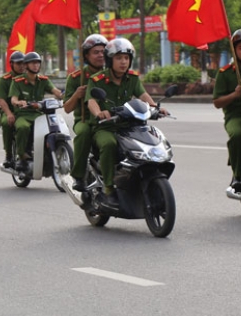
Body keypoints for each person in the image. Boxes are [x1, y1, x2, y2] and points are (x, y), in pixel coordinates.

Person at [86, 38, 165, 210]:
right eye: (119, 58)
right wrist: (99, 112)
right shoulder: (97, 79)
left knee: (149, 140)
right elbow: (91, 101)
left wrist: (155, 108)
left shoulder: (132, 78)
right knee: (109, 144)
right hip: (105, 127)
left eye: (126, 58)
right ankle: (108, 189)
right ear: (109, 60)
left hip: (129, 126)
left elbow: (143, 95)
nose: (123, 62)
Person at [213, 29, 241, 190]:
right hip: (236, 116)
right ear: (235, 51)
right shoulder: (225, 73)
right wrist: (235, 95)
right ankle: (238, 175)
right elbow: (217, 102)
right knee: (238, 134)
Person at [64, 34, 108, 191]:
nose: (100, 55)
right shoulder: (76, 77)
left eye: (103, 51)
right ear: (86, 56)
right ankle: (78, 175)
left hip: (109, 119)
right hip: (85, 120)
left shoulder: (111, 74)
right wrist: (76, 95)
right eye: (96, 52)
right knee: (83, 134)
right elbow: (67, 108)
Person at [8, 51, 62, 173]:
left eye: (37, 63)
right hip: (23, 114)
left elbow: (55, 91)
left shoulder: (43, 80)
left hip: (39, 114)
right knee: (22, 127)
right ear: (26, 65)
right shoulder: (17, 81)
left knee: (53, 128)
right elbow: (13, 99)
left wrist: (65, 95)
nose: (36, 65)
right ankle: (21, 156)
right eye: (33, 63)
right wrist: (18, 102)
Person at [0, 51, 26, 168]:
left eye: (23, 63)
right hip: (9, 110)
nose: (22, 66)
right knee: (7, 124)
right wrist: (8, 114)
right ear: (12, 64)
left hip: (26, 111)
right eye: (19, 63)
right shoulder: (5, 80)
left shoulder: (29, 77)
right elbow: (1, 99)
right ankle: (8, 155)